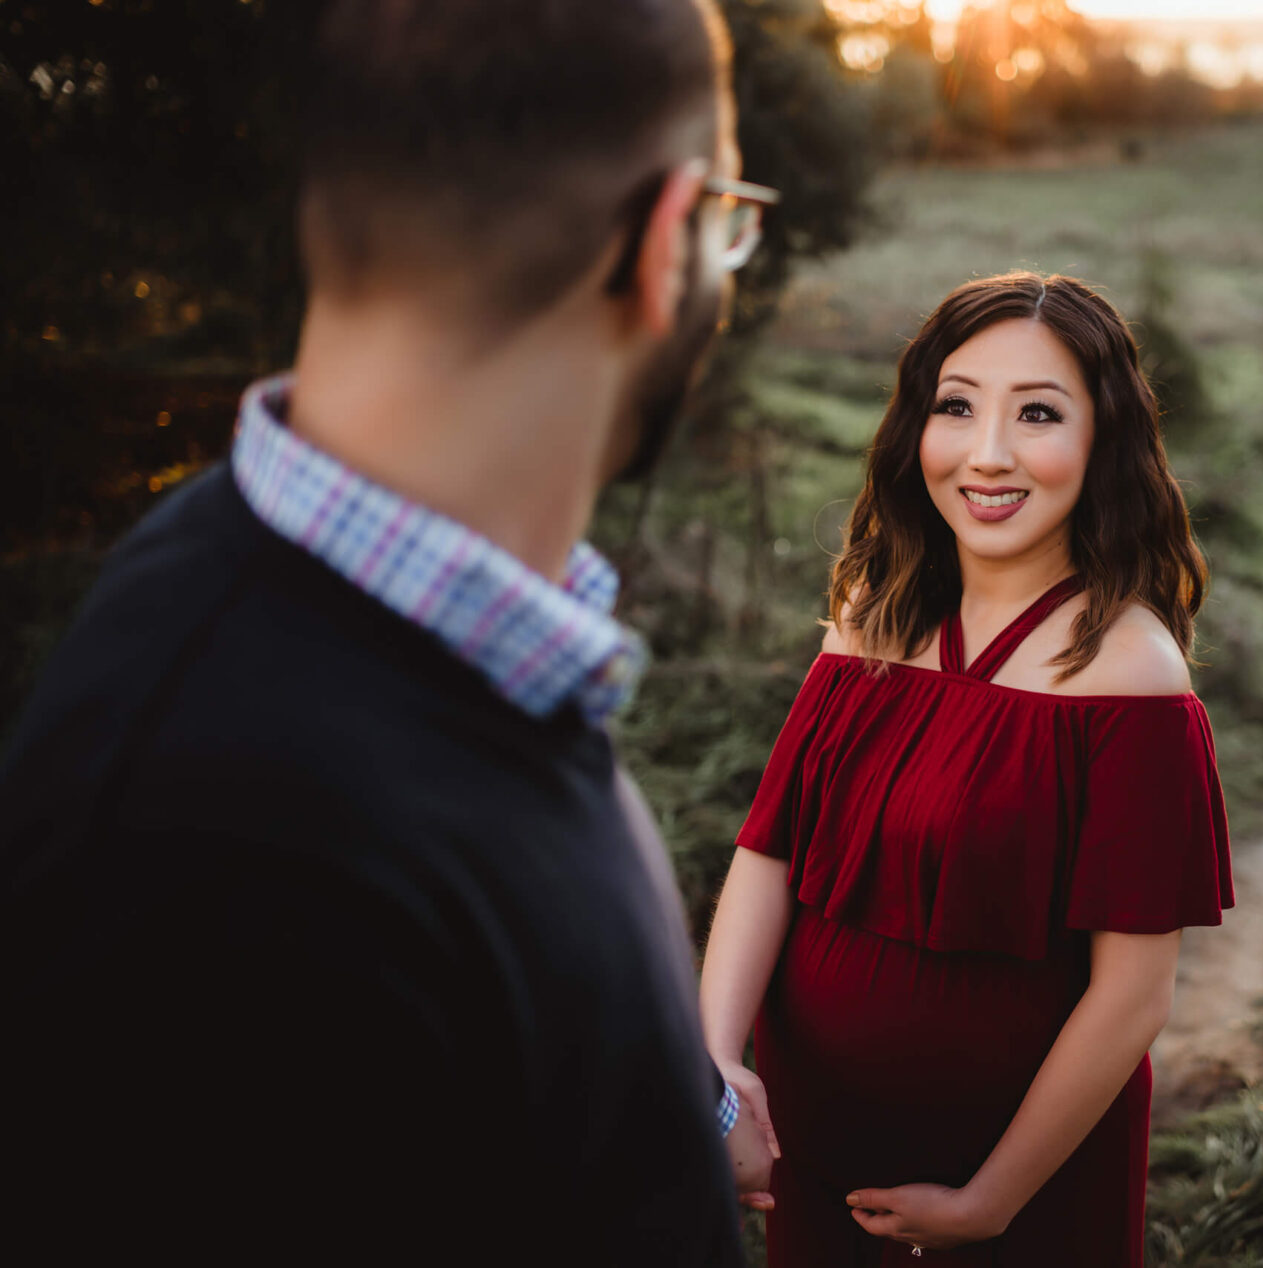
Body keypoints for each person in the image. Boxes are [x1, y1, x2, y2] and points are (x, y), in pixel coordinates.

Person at [0, 0, 775, 1260]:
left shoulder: (414, 633)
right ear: (666, 235)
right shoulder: (212, 854)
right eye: (732, 226)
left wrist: (680, 1106)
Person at [699, 272, 1235, 1264]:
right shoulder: (870, 615)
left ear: (1101, 439)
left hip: (1009, 1189)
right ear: (917, 430)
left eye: (1037, 412)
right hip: (809, 1153)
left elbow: (1133, 993)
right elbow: (768, 854)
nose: (987, 454)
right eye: (956, 407)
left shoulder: (1130, 670)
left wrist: (991, 1198)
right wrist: (720, 1070)